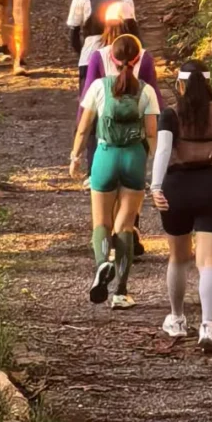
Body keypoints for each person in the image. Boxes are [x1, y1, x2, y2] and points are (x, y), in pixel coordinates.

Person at [151, 61, 212, 354]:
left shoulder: (170, 115)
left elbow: (163, 152)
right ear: (208, 84)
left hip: (176, 189)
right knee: (209, 261)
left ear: (180, 85)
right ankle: (208, 325)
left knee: (179, 258)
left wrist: (155, 187)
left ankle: (177, 318)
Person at [69, 34, 159, 311]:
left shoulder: (99, 86)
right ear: (137, 59)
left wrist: (75, 157)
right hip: (133, 158)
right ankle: (121, 291)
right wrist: (154, 164)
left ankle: (102, 264)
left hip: (105, 156)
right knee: (125, 226)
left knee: (101, 223)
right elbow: (152, 133)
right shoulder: (146, 91)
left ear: (111, 58)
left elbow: (84, 128)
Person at [66, 0, 138, 94]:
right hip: (119, 59)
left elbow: (73, 32)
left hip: (89, 57)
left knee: (88, 101)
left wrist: (81, 52)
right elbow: (133, 33)